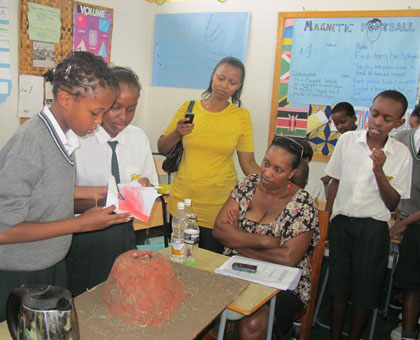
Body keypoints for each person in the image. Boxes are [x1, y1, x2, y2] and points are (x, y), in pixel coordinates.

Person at [0, 51, 130, 321]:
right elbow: (4, 230)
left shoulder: (64, 136)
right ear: (65, 99)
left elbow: (43, 192)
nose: (98, 122)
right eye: (95, 113)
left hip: (52, 263)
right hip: (20, 274)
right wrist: (80, 223)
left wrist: (98, 193)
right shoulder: (32, 142)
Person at [325, 90, 412, 340]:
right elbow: (335, 183)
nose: (377, 122)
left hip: (373, 230)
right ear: (368, 112)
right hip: (341, 224)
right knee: (338, 287)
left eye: (387, 119)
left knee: (365, 291)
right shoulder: (348, 141)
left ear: (399, 123)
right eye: (374, 114)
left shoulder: (401, 154)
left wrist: (379, 170)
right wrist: (327, 220)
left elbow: (392, 202)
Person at [213, 136, 320, 340]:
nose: (267, 173)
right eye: (266, 163)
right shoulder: (249, 184)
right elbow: (219, 230)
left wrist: (238, 240)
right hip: (236, 268)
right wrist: (266, 242)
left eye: (278, 170)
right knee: (195, 297)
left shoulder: (303, 205)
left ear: (292, 173)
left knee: (252, 323)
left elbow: (288, 259)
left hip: (283, 282)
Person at [66, 66, 158, 296]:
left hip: (124, 235)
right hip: (83, 235)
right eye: (115, 108)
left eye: (131, 109)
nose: (123, 117)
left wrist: (144, 191)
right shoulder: (78, 139)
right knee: (85, 300)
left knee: (122, 296)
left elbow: (152, 190)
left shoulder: (138, 138)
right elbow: (63, 198)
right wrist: (115, 199)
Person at [158, 57, 260, 253]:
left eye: (232, 82)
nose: (224, 85)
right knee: (182, 266)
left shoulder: (241, 117)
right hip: (182, 205)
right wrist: (178, 132)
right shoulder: (189, 108)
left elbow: (248, 163)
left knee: (212, 270)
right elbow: (162, 147)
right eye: (221, 78)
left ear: (239, 86)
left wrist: (274, 187)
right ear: (212, 76)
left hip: (219, 206)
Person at [389, 124, 420, 340]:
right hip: (408, 219)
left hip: (414, 222)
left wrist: (405, 223)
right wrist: (396, 213)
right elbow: (392, 180)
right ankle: (409, 332)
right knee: (412, 283)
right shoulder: (401, 140)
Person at [321, 102, 358, 186]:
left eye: (343, 122)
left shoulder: (364, 139)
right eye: (336, 124)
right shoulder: (343, 139)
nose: (340, 127)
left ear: (354, 118)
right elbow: (337, 167)